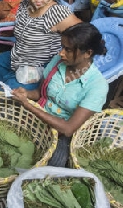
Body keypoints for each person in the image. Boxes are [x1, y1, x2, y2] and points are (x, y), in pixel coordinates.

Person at [12, 22, 109, 167]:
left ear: (87, 53)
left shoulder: (97, 86)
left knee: (52, 163)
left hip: (62, 133)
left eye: (68, 50)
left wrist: (28, 106)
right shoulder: (58, 62)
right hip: (39, 115)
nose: (61, 53)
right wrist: (26, 94)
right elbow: (40, 92)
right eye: (62, 47)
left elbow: (68, 129)